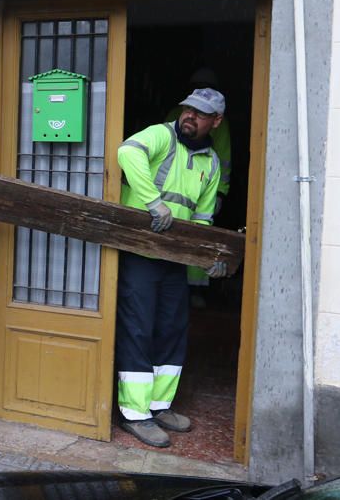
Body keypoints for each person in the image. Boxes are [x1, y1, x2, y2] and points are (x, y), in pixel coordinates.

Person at [114, 87, 228, 448]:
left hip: (175, 259)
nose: (190, 116)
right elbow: (127, 152)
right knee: (138, 328)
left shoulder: (211, 163)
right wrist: (153, 203)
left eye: (200, 113)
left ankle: (159, 406)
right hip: (141, 252)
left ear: (216, 121)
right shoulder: (161, 135)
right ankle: (135, 413)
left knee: (172, 329)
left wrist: (207, 258)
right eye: (188, 109)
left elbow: (204, 219)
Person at [164, 68, 232, 307]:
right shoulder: (176, 117)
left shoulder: (212, 123)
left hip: (201, 189)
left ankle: (196, 290)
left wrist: (220, 189)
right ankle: (194, 292)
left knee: (198, 231)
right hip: (177, 195)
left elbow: (220, 159)